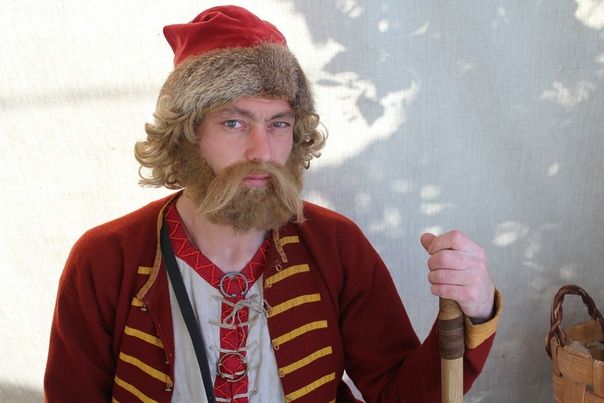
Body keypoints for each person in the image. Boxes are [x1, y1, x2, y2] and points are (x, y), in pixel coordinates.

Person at [44, 5, 501, 403]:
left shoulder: (335, 245)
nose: (262, 150)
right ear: (188, 134)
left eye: (279, 123)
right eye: (234, 123)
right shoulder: (106, 258)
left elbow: (400, 395)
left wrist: (476, 309)